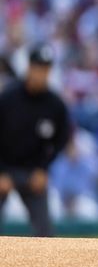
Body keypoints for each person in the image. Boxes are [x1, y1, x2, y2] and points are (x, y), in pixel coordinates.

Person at [0, 45, 72, 236]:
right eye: (38, 67)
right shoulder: (8, 98)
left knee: (46, 234)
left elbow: (61, 140)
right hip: (4, 170)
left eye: (46, 69)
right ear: (29, 67)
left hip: (33, 173)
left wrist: (43, 168)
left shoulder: (55, 105)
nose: (41, 73)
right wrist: (1, 171)